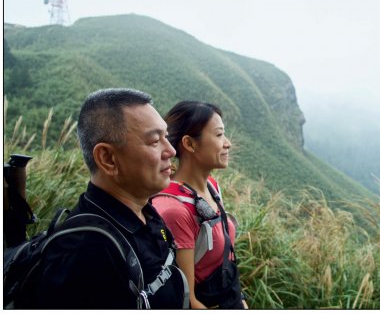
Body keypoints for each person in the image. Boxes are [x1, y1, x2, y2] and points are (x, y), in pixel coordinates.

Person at [30, 88, 187, 308]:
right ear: (108, 159)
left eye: (166, 137)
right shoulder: (85, 255)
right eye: (154, 142)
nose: (170, 150)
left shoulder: (146, 212)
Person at [152, 101, 247, 309]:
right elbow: (189, 301)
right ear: (190, 144)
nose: (228, 143)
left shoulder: (212, 187)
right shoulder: (174, 210)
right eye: (219, 135)